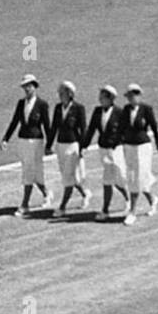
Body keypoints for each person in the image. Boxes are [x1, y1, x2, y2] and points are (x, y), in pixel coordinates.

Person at [0, 73, 53, 216]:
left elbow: (47, 125)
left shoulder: (42, 104)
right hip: (23, 140)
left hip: (36, 141)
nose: (26, 89)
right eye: (25, 87)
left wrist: (49, 145)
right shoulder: (21, 103)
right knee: (30, 171)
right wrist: (6, 138)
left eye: (29, 86)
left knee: (30, 172)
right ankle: (47, 193)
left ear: (34, 87)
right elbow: (15, 121)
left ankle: (24, 204)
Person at [117, 83, 158, 224]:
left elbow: (154, 129)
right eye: (130, 96)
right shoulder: (126, 110)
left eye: (134, 95)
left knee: (138, 177)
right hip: (129, 146)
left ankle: (132, 211)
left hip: (143, 147)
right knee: (133, 176)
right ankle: (152, 199)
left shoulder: (146, 109)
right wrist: (118, 144)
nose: (132, 99)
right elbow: (121, 128)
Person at [82, 83, 130, 221]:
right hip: (103, 149)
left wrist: (117, 143)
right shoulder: (97, 112)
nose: (99, 99)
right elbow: (91, 130)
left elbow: (125, 131)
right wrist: (84, 146)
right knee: (107, 180)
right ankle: (105, 210)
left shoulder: (119, 112)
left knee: (120, 178)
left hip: (116, 150)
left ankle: (130, 198)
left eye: (102, 97)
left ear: (110, 99)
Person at [47, 80, 91, 214]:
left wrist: (83, 147)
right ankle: (85, 194)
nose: (60, 95)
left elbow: (83, 129)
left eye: (63, 92)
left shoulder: (79, 108)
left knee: (68, 177)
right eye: (60, 92)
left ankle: (62, 207)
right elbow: (54, 127)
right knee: (70, 176)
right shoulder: (58, 108)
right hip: (61, 145)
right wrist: (48, 145)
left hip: (73, 145)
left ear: (70, 94)